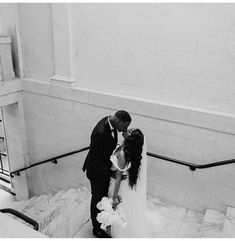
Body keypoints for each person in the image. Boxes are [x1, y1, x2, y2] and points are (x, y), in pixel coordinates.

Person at [82, 110, 131, 238]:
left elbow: (108, 148)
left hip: (103, 168)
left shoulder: (112, 123)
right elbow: (94, 159)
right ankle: (97, 229)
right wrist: (111, 173)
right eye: (125, 126)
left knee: (103, 198)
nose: (125, 129)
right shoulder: (100, 132)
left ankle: (103, 220)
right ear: (118, 121)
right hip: (96, 172)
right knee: (97, 199)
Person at [108, 128, 160, 238]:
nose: (127, 129)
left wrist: (114, 197)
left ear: (131, 139)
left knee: (122, 212)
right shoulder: (128, 148)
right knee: (126, 211)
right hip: (123, 182)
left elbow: (118, 176)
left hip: (119, 185)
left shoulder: (123, 154)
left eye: (130, 131)